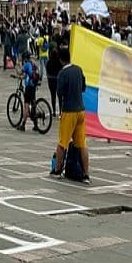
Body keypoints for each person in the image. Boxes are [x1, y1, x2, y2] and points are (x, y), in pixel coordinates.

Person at [52, 45, 89, 184]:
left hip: (69, 111)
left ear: (61, 60)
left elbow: (60, 92)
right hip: (81, 110)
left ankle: (57, 170)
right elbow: (83, 87)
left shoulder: (63, 73)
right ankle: (86, 174)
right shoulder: (78, 69)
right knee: (82, 144)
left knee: (63, 142)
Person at [19, 51, 38, 131]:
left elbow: (20, 72)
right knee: (33, 104)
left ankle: (23, 125)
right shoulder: (33, 64)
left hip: (29, 87)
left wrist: (18, 65)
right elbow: (27, 75)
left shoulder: (26, 64)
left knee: (26, 105)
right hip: (34, 85)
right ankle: (36, 125)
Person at [45, 45, 62, 116]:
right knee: (60, 97)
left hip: (51, 81)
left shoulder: (48, 62)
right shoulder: (59, 62)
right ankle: (60, 112)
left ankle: (54, 111)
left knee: (53, 96)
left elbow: (47, 71)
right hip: (58, 80)